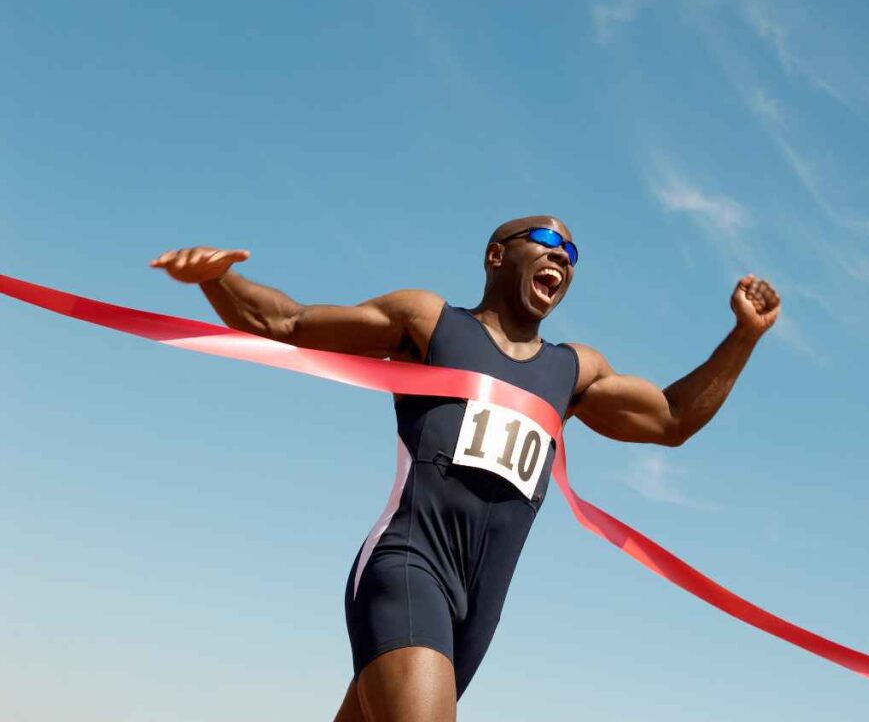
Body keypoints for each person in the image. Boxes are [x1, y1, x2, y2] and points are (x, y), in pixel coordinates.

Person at [150, 216, 780, 722]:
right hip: (408, 564)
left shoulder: (575, 371)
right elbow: (286, 322)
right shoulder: (430, 322)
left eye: (573, 252)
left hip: (477, 610)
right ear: (496, 255)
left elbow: (670, 419)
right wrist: (216, 281)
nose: (563, 254)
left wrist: (743, 338)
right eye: (547, 240)